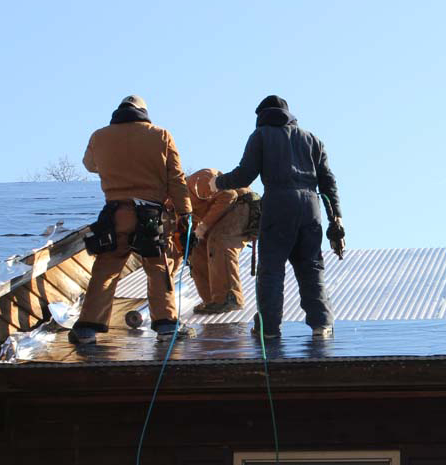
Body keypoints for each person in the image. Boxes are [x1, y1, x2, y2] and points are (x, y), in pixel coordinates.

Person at [212, 95, 343, 338]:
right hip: (310, 207)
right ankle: (322, 324)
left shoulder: (261, 136)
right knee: (311, 267)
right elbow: (328, 182)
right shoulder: (312, 139)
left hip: (278, 204)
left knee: (271, 269)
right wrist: (337, 218)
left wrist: (217, 183)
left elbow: (244, 176)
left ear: (261, 116)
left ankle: (268, 329)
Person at [69, 95, 193, 345]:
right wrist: (185, 213)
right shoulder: (160, 135)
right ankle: (166, 324)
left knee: (106, 268)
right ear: (144, 112)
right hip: (151, 215)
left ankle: (87, 328)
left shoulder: (99, 136)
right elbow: (176, 178)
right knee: (158, 267)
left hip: (115, 213)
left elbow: (90, 165)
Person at [185, 168, 255, 314]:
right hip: (219, 218)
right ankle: (213, 300)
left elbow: (229, 195)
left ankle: (230, 298)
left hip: (240, 206)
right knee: (195, 250)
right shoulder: (175, 208)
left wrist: (203, 227)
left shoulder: (198, 181)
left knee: (220, 241)